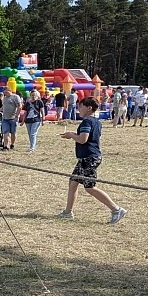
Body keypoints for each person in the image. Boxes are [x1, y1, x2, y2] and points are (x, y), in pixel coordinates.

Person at [58, 96, 126, 224]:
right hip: (87, 158)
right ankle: (68, 212)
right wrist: (75, 135)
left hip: (89, 158)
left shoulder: (86, 122)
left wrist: (71, 135)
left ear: (89, 108)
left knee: (90, 187)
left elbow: (83, 139)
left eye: (81, 106)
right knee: (73, 182)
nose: (79, 109)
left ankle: (116, 209)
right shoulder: (97, 122)